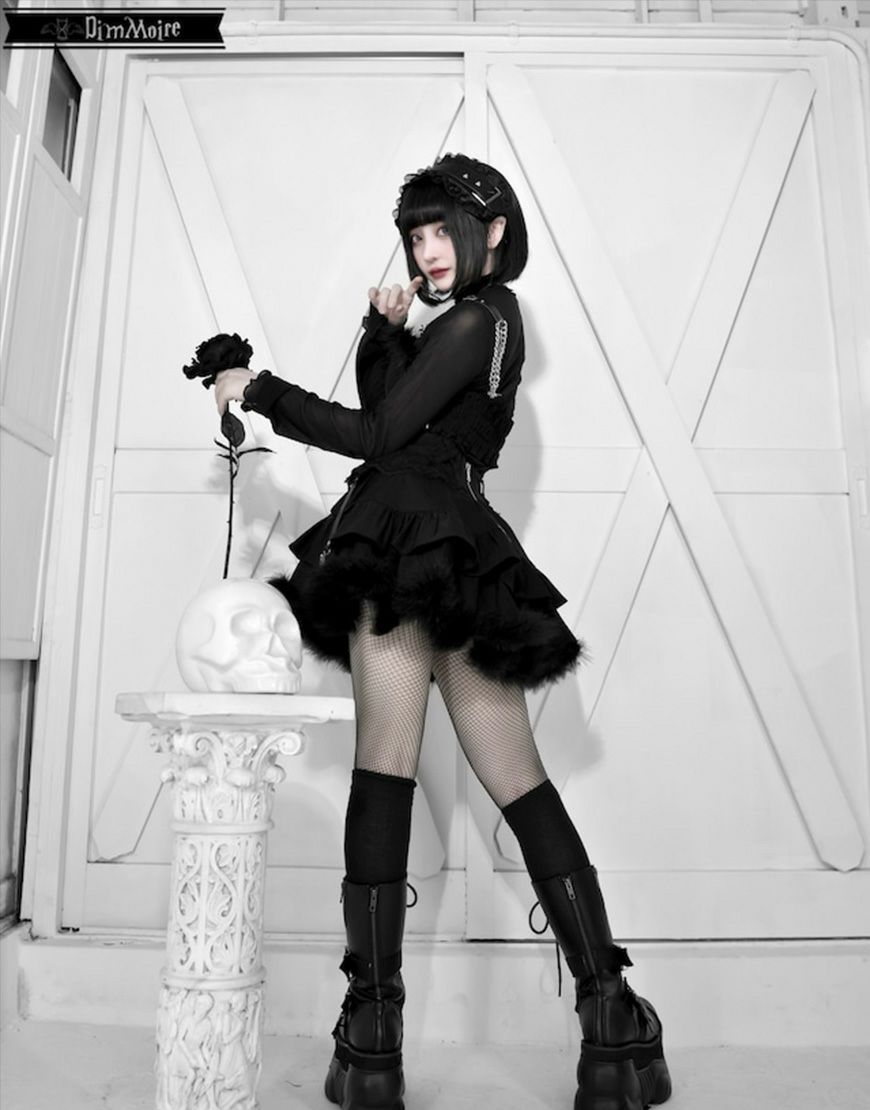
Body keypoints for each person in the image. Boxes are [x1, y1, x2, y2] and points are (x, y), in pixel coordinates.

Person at [214, 153, 671, 1110]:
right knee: (493, 777)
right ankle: (611, 1020)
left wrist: (257, 388)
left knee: (401, 769)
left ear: (493, 232)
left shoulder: (479, 320)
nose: (425, 251)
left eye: (440, 231)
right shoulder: (473, 324)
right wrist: (381, 331)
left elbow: (376, 439)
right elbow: (396, 420)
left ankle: (373, 1033)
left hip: (408, 548)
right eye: (414, 235)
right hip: (440, 548)